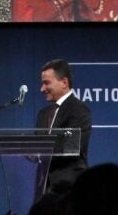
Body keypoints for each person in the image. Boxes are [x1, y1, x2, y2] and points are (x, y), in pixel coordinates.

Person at [36, 59, 91, 195]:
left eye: (46, 83)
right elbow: (37, 146)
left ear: (64, 83)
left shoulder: (79, 110)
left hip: (69, 189)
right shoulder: (43, 114)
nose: (42, 89)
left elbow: (71, 146)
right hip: (44, 189)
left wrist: (40, 152)